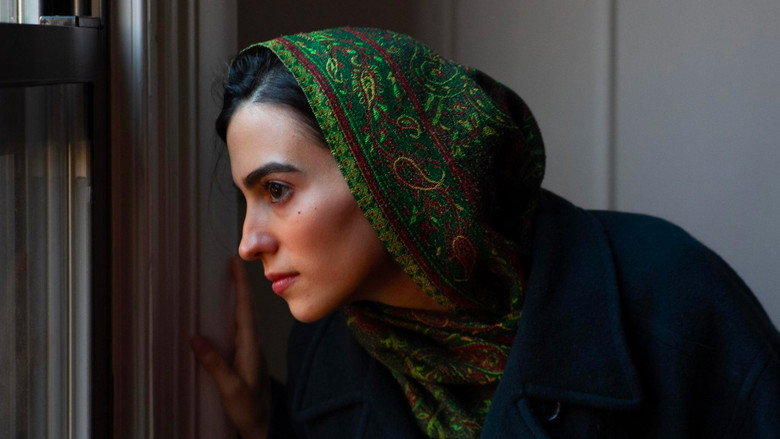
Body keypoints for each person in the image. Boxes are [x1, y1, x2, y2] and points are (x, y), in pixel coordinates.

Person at [191, 27, 780, 438]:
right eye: (247, 199)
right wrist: (269, 424)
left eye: (277, 191)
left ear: (385, 172)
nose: (248, 243)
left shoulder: (671, 293)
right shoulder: (327, 353)